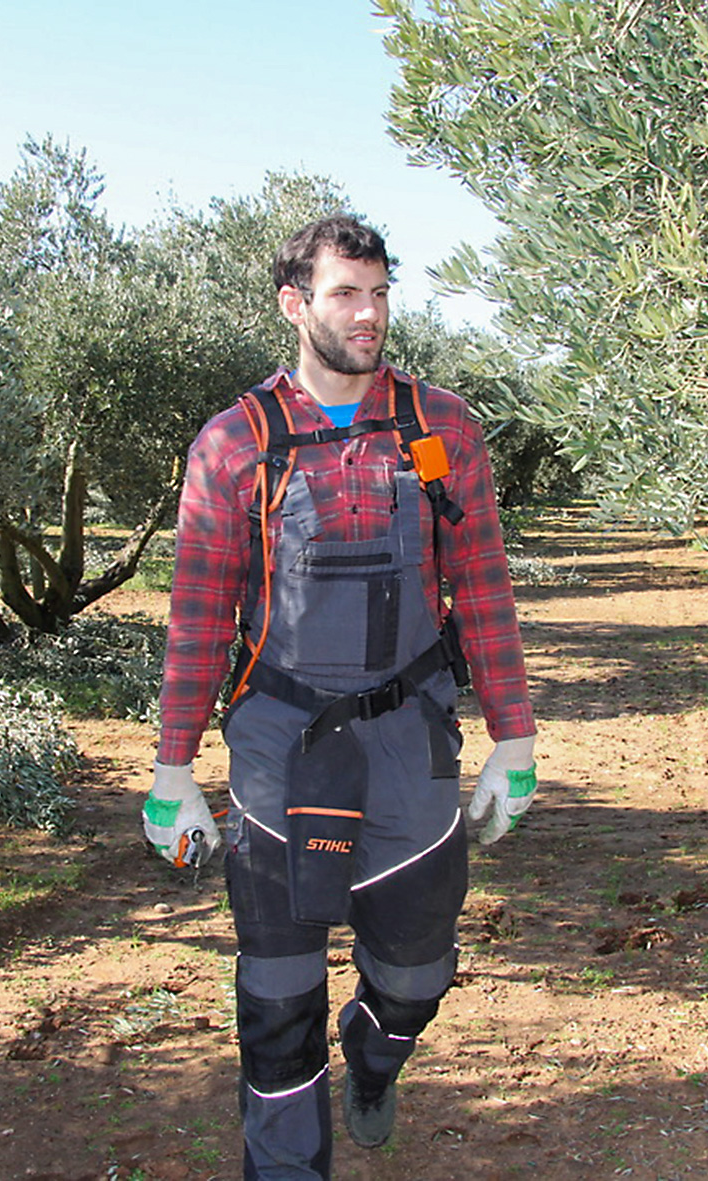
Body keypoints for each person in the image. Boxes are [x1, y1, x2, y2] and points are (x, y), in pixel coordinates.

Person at [142, 215, 537, 1180]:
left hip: (412, 738)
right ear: (295, 304)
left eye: (379, 292)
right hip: (280, 743)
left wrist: (515, 738)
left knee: (415, 972)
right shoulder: (234, 444)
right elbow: (197, 619)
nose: (369, 314)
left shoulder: (441, 428)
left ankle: (374, 1052)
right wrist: (172, 769)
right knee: (275, 998)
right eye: (345, 294)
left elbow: (479, 582)